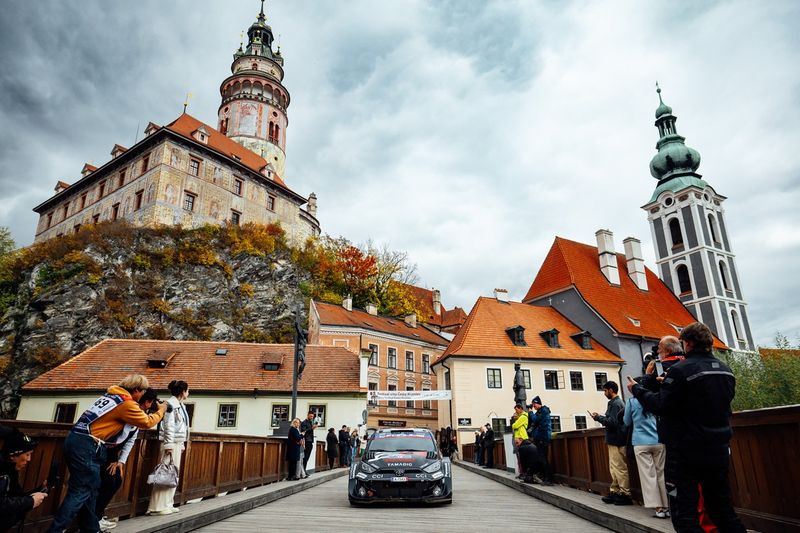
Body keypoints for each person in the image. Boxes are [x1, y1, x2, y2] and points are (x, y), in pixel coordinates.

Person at [628, 322, 746, 532]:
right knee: (721, 509)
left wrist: (637, 389)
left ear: (688, 343)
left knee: (684, 512)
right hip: (718, 446)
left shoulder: (680, 371)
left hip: (686, 449)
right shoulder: (726, 371)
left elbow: (661, 405)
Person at [49, 374, 167, 533]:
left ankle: (91, 529)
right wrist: (161, 410)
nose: (143, 395)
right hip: (88, 445)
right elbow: (147, 422)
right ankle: (55, 530)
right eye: (143, 391)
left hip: (76, 439)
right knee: (80, 491)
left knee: (91, 489)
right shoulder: (126, 403)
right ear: (136, 390)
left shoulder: (110, 396)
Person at [96, 388, 158, 531]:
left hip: (113, 452)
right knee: (108, 482)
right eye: (152, 402)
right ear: (148, 402)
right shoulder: (131, 410)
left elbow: (130, 440)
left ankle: (97, 515)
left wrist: (121, 461)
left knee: (115, 481)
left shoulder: (138, 414)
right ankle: (94, 518)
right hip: (103, 449)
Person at [624, 381, 668, 518]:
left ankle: (658, 508)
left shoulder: (631, 402)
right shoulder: (653, 398)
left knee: (648, 476)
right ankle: (666, 506)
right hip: (658, 440)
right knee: (661, 474)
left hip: (640, 442)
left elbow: (626, 421)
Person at [147, 380, 190, 516]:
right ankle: (157, 506)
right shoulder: (170, 405)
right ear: (182, 392)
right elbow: (169, 425)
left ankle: (168, 503)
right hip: (171, 443)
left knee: (172, 473)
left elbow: (181, 427)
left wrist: (181, 443)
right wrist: (169, 444)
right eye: (187, 390)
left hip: (177, 442)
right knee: (165, 473)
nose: (188, 393)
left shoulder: (180, 405)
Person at [589, 381, 632, 505]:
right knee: (615, 468)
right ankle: (616, 491)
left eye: (605, 390)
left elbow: (613, 423)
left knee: (619, 468)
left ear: (611, 390)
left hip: (617, 440)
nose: (604, 393)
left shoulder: (616, 403)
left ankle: (625, 494)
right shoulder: (617, 403)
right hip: (616, 439)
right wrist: (600, 417)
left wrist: (598, 418)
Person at [0, 427, 48, 531]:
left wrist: (40, 490)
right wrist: (30, 502)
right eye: (27, 454)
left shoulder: (10, 471)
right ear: (13, 455)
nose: (29, 459)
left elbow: (16, 497)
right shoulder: (2, 473)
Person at [528, 396, 554, 484]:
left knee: (543, 458)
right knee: (541, 458)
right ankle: (544, 477)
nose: (533, 406)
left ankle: (549, 479)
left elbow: (535, 419)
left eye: (534, 404)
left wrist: (530, 412)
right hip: (539, 437)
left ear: (538, 403)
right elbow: (533, 422)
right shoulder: (539, 411)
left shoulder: (544, 411)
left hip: (543, 437)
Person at [511, 404, 529, 477]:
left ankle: (524, 473)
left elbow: (514, 426)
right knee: (520, 457)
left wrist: (515, 422)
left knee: (523, 457)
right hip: (518, 439)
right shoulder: (520, 417)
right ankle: (522, 473)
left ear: (521, 409)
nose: (516, 412)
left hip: (522, 438)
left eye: (516, 410)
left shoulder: (523, 417)